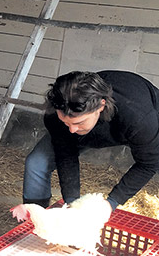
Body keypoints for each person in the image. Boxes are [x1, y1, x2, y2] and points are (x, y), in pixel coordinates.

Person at [23, 70, 159, 210]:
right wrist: (72, 201)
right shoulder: (56, 114)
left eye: (79, 122)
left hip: (137, 121)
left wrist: (111, 202)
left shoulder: (138, 118)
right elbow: (65, 153)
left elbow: (148, 164)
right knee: (36, 162)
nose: (72, 130)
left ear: (101, 106)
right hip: (105, 126)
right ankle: (34, 216)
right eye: (66, 122)